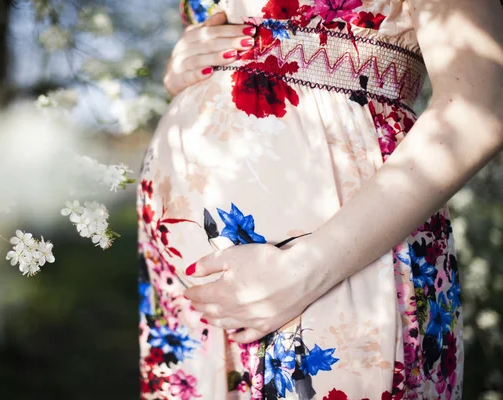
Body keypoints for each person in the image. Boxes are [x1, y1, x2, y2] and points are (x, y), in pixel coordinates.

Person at [137, 0, 503, 398]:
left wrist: (305, 269)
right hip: (185, 296)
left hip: (337, 251)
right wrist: (184, 68)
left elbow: (480, 106)